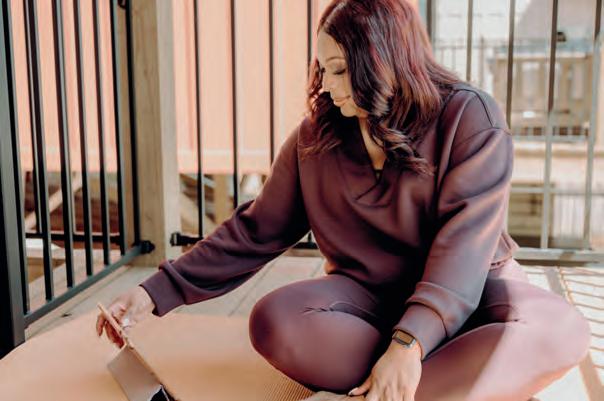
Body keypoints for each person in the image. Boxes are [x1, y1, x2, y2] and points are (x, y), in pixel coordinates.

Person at [96, 1, 591, 400]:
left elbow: (464, 249)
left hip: (471, 294)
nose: (327, 86)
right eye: (323, 69)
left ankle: (393, 383)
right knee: (275, 321)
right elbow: (254, 231)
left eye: (340, 70)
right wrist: (153, 293)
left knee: (559, 328)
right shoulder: (315, 139)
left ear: (385, 60)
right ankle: (432, 386)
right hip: (369, 303)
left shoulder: (470, 117)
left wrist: (409, 344)